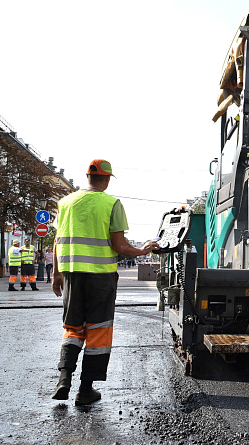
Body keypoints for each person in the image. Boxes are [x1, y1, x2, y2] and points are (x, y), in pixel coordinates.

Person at [51, 159, 158, 406]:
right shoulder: (112, 204)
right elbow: (119, 246)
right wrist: (144, 250)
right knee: (97, 330)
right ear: (107, 179)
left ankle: (63, 379)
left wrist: (57, 275)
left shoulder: (65, 202)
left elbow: (57, 242)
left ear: (87, 177)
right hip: (100, 277)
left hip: (71, 275)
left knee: (73, 327)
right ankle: (85, 390)